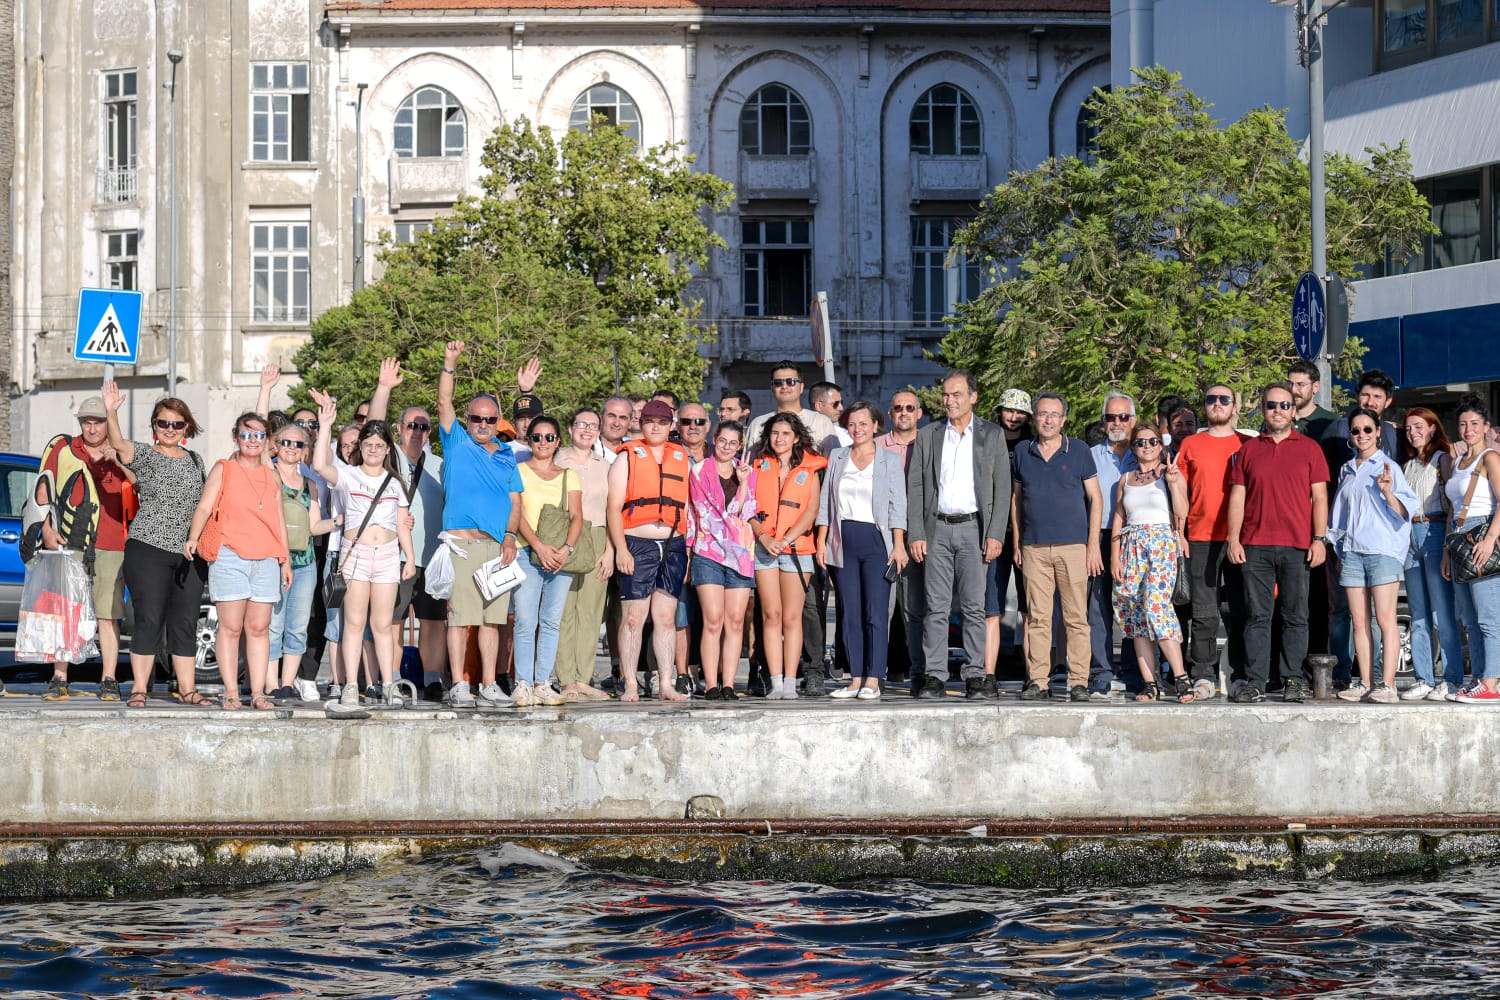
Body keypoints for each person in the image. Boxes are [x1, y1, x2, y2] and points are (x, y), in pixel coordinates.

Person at [101, 382, 212, 707]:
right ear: (154, 426)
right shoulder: (145, 454)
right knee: (149, 618)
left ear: (186, 427)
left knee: (186, 622)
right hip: (148, 547)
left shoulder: (195, 460)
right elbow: (118, 442)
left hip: (189, 553)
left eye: (177, 424)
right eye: (163, 423)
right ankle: (139, 688)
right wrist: (111, 410)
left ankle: (188, 690)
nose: (170, 429)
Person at [907, 370, 1011, 700]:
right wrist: (916, 532)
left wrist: (995, 533)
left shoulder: (991, 435)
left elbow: (1002, 487)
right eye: (946, 395)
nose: (949, 401)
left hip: (974, 528)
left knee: (974, 607)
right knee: (935, 607)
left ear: (973, 397)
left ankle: (975, 675)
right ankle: (935, 675)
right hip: (936, 528)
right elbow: (917, 485)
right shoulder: (929, 434)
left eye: (956, 395)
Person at [308, 392, 416, 710]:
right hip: (354, 553)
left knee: (382, 625)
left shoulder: (395, 483)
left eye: (379, 446)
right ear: (361, 448)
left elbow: (402, 525)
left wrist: (409, 558)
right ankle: (351, 685)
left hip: (385, 555)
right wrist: (325, 425)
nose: (373, 450)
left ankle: (387, 684)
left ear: (386, 450)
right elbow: (319, 465)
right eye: (368, 444)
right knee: (353, 623)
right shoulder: (348, 475)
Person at [1226, 382, 1330, 704]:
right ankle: (1255, 681)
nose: (1278, 411)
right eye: (1272, 405)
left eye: (1285, 405)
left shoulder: (1310, 448)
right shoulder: (1248, 450)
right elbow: (1237, 497)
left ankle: (1293, 680)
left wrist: (1319, 539)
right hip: (1255, 545)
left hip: (1297, 545)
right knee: (1257, 616)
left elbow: (1320, 497)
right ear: (1263, 409)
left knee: (1296, 616)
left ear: (1294, 411)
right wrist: (1233, 538)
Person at [183, 412, 293, 710]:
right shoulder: (225, 468)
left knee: (259, 628)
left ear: (267, 441)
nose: (252, 441)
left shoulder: (272, 475)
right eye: (246, 434)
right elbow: (205, 506)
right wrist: (193, 537)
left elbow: (279, 519)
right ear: (236, 438)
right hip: (230, 554)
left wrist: (285, 559)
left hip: (267, 557)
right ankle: (231, 691)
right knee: (230, 628)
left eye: (259, 435)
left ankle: (257, 692)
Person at [436, 341, 525, 709]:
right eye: (477, 419)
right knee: (458, 619)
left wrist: (508, 536)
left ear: (498, 421)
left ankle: (489, 684)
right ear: (468, 420)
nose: (484, 425)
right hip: (460, 546)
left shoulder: (508, 456)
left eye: (490, 419)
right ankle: (459, 683)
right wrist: (449, 363)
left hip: (494, 546)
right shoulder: (456, 442)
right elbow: (444, 403)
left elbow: (516, 503)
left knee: (492, 620)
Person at [33, 396, 135, 702]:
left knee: (108, 614)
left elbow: (140, 485)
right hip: (69, 541)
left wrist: (115, 460)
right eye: (86, 422)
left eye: (98, 422)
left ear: (108, 423)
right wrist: (47, 529)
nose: (92, 428)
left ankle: (108, 679)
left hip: (112, 542)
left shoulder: (122, 451)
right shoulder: (64, 450)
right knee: (64, 611)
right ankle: (59, 677)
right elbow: (43, 489)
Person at [365, 358, 450, 695]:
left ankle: (431, 680)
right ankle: (395, 679)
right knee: (393, 622)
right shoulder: (389, 458)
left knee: (433, 622)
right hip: (394, 557)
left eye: (423, 427)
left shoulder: (441, 466)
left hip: (431, 558)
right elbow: (372, 425)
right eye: (411, 426)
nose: (417, 431)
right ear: (399, 429)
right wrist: (384, 386)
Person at [1011, 392, 1102, 702]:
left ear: (1064, 419)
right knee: (1037, 617)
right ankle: (1038, 680)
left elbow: (1096, 499)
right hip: (1034, 547)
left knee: (1076, 617)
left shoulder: (1078, 450)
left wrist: (1092, 546)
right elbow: (1016, 500)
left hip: (1073, 547)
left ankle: (1078, 681)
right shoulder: (1023, 451)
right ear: (1034, 418)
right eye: (1042, 414)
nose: (1048, 420)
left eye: (1054, 414)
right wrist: (1017, 541)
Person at [818, 401, 908, 700]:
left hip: (876, 540)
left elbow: (897, 506)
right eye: (852, 424)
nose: (857, 429)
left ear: (875, 426)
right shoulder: (837, 456)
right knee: (850, 613)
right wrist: (822, 540)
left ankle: (874, 678)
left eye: (863, 423)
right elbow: (825, 504)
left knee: (876, 613)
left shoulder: (888, 460)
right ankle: (855, 678)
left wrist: (898, 545)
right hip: (843, 539)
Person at [1327, 407, 1417, 704]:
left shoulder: (1389, 466)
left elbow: (1405, 512)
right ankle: (1364, 681)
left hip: (1382, 552)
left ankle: (1387, 684)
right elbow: (1341, 515)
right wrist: (1339, 547)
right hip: (1352, 552)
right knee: (1359, 621)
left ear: (1378, 431)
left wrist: (1388, 491)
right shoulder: (1347, 469)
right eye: (1356, 430)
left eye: (1368, 429)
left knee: (1386, 620)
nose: (1362, 435)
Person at [607, 398, 692, 702]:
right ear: (641, 424)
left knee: (666, 617)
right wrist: (620, 549)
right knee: (633, 617)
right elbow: (614, 507)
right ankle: (630, 682)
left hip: (673, 543)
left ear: (671, 427)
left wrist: (689, 551)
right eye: (650, 422)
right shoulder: (627, 457)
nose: (656, 427)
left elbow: (691, 508)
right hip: (637, 542)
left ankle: (666, 682)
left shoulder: (681, 457)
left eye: (662, 422)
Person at [1175, 384, 1250, 699]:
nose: (1217, 404)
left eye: (1224, 399)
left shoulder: (1249, 443)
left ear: (1235, 407)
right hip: (1201, 537)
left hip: (1241, 539)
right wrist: (1180, 533)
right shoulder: (1191, 444)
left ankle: (1241, 676)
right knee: (1203, 614)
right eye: (1210, 399)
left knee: (1242, 611)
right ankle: (1203, 675)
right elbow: (1179, 493)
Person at [1109, 425, 1194, 703]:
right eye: (1140, 442)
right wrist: (1115, 555)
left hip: (1160, 542)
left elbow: (1182, 512)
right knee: (1134, 616)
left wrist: (1172, 481)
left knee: (1156, 606)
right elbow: (1119, 518)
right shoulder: (1126, 478)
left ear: (1161, 445)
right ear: (1133, 447)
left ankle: (1181, 678)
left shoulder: (1171, 473)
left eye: (1152, 441)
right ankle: (1150, 683)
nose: (1146, 446)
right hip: (1131, 544)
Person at [749, 413, 827, 699]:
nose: (779, 439)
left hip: (796, 550)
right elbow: (749, 508)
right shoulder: (758, 466)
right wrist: (764, 536)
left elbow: (811, 511)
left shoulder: (810, 468)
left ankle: (792, 683)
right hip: (765, 548)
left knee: (792, 617)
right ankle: (776, 681)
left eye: (785, 433)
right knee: (771, 615)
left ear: (796, 437)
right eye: (774, 433)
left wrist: (785, 540)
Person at [512, 415, 583, 707]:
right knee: (525, 621)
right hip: (526, 552)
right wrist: (538, 546)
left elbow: (577, 515)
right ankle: (523, 683)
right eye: (537, 437)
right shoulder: (518, 470)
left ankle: (543, 682)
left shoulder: (569, 474)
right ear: (529, 440)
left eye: (549, 437)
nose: (543, 442)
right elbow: (516, 513)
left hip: (560, 556)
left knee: (551, 621)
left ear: (557, 441)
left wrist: (567, 548)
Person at [266, 420, 337, 702]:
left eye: (298, 444)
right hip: (273, 559)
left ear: (305, 449)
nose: (292, 448)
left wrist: (341, 521)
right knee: (272, 626)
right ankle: (270, 683)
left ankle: (286, 684)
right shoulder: (267, 474)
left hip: (305, 562)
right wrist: (265, 390)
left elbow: (314, 526)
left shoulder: (310, 485)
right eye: (286, 442)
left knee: (296, 627)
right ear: (277, 446)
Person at [688, 420, 758, 700]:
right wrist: (690, 549)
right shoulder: (699, 471)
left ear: (739, 446)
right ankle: (710, 684)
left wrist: (742, 483)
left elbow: (746, 512)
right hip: (709, 551)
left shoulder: (747, 472)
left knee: (736, 621)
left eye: (733, 443)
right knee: (713, 620)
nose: (727, 447)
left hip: (740, 554)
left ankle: (729, 683)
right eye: (722, 441)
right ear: (714, 440)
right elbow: (702, 511)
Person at [1400, 407, 1462, 701]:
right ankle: (1424, 677)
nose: (1413, 432)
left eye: (1418, 426)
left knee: (1441, 612)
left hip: (1435, 529)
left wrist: (1449, 545)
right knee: (1418, 613)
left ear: (1433, 428)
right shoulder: (1408, 464)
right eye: (1408, 427)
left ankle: (1451, 678)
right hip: (1409, 534)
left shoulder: (1442, 458)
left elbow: (1452, 504)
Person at [1444, 395, 1500, 704]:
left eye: (1474, 424)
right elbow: (1453, 510)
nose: (1468, 429)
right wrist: (1445, 552)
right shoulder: (1458, 461)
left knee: (1489, 616)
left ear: (1486, 427)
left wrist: (1490, 538)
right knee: (1469, 617)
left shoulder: (1490, 457)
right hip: (1459, 539)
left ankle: (1492, 681)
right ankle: (1479, 678)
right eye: (1464, 424)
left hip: (1482, 533)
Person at [555, 408, 615, 701]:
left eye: (593, 425)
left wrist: (611, 550)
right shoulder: (556, 459)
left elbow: (613, 510)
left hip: (597, 537)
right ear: (570, 427)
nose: (587, 430)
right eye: (581, 424)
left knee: (591, 612)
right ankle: (566, 679)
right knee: (564, 610)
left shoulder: (605, 465)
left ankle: (583, 677)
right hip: (564, 536)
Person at [1087, 392, 1140, 696]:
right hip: (1101, 534)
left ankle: (1135, 674)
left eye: (1123, 417)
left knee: (1132, 609)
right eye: (1110, 417)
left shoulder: (1147, 452)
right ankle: (1101, 673)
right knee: (1098, 608)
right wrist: (1091, 542)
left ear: (1133, 420)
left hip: (1135, 539)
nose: (1117, 423)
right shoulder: (1090, 455)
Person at [878, 390, 924, 686]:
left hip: (920, 536)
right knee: (881, 609)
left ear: (919, 412)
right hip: (883, 537)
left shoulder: (931, 443)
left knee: (917, 609)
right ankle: (874, 673)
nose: (904, 412)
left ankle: (921, 672)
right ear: (890, 413)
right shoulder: (875, 447)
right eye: (898, 408)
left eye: (910, 407)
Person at [988, 388, 1034, 676]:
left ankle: (1034, 675)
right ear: (1000, 412)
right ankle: (987, 675)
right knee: (990, 607)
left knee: (1029, 608)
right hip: (992, 533)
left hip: (1028, 534)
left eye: (1019, 412)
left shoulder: (1032, 445)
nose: (1014, 417)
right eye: (1009, 410)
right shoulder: (986, 442)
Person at [745, 361, 839, 451]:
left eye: (791, 381)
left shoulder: (821, 422)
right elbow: (749, 464)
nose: (784, 386)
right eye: (778, 382)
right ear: (772, 388)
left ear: (801, 387)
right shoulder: (758, 424)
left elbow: (834, 463)